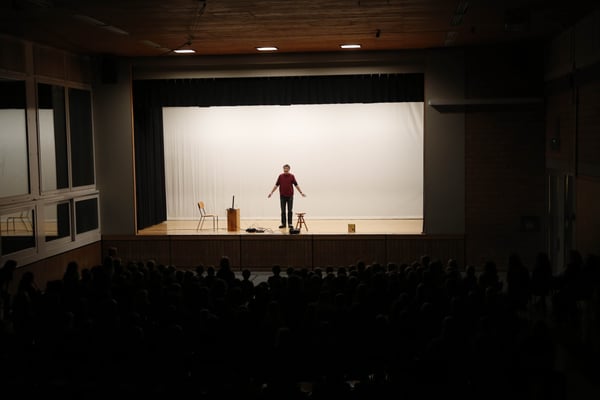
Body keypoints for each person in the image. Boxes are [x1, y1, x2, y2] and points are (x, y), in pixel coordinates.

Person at [268, 164, 306, 228]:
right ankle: (283, 224)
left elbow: (296, 185)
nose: (285, 169)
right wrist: (271, 192)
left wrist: (301, 192)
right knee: (283, 211)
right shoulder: (280, 176)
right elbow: (276, 185)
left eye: (287, 168)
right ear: (283, 169)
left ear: (289, 169)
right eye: (284, 168)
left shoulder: (292, 176)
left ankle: (290, 224)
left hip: (290, 196)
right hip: (282, 196)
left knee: (290, 210)